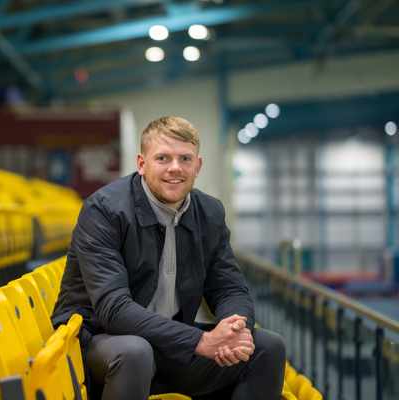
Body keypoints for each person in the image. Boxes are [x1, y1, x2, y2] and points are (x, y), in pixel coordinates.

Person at [52, 116, 286, 400]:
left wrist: (235, 328)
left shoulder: (209, 213)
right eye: (163, 158)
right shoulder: (103, 211)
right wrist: (200, 340)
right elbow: (113, 309)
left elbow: (229, 287)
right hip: (100, 341)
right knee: (135, 352)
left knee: (267, 347)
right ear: (141, 164)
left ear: (197, 166)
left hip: (169, 342)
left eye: (185, 159)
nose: (175, 168)